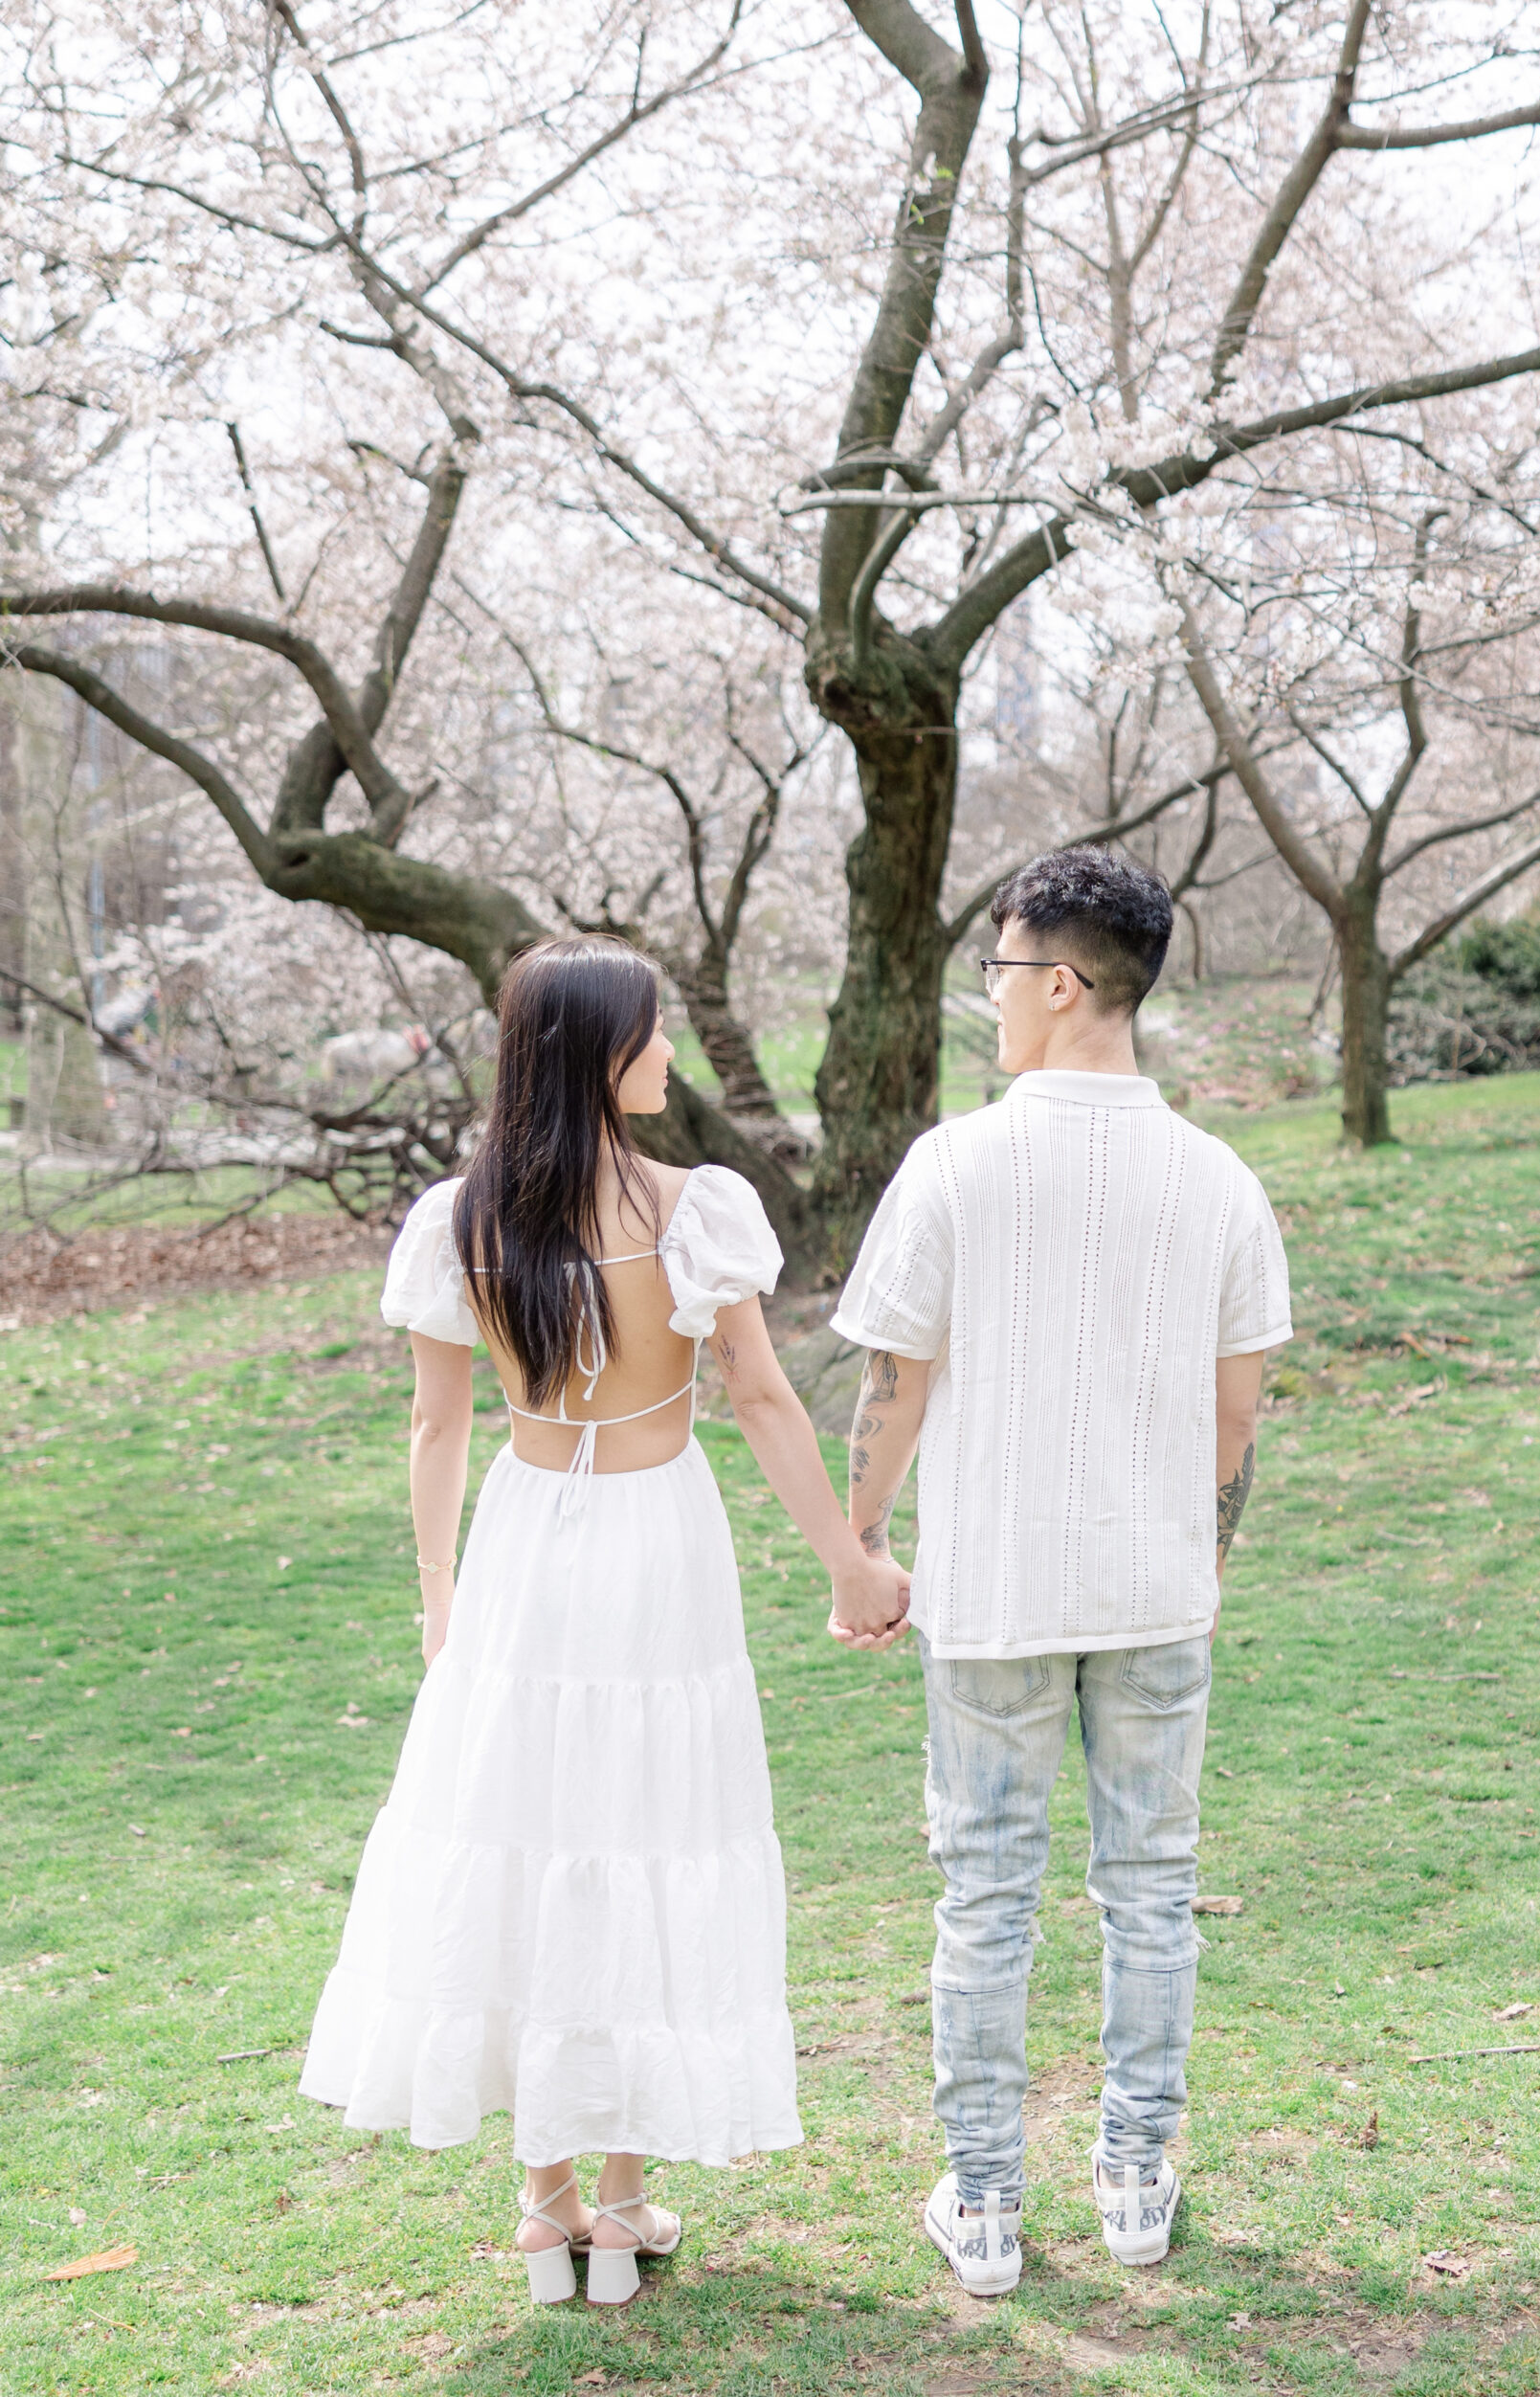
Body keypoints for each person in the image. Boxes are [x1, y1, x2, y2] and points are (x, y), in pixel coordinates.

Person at [300, 936, 909, 2307]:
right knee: (638, 1834)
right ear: (593, 1055)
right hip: (652, 1549)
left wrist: (439, 1594)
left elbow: (435, 1423)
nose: (669, 1058)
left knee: (532, 1833)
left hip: (522, 1544)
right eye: (652, 1037)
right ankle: (621, 2203)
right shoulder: (693, 1209)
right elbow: (756, 1398)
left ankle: (544, 2207)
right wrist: (848, 1564)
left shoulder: (461, 1218)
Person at [831, 845, 1291, 2296]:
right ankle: (1135, 2181)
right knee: (1149, 1891)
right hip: (1155, 1590)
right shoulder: (1218, 1180)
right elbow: (1235, 1418)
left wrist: (865, 1545)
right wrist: (1203, 1560)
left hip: (993, 1591)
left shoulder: (954, 1165)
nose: (991, 1001)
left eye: (999, 972)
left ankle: (981, 2205)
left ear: (1063, 980)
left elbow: (893, 1387)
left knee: (985, 1898)